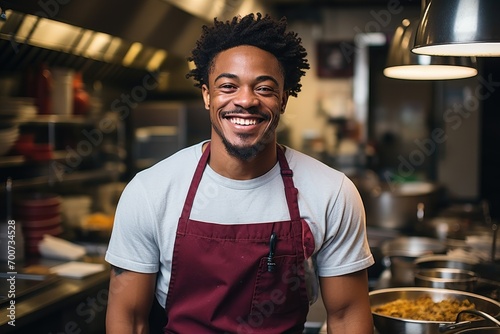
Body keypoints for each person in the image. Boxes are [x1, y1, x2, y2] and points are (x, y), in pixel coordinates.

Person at [105, 12, 375, 334]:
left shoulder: (331, 192)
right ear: (207, 95)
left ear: (284, 99)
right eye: (228, 86)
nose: (245, 100)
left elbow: (347, 317)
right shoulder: (150, 191)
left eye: (264, 88)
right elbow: (129, 320)